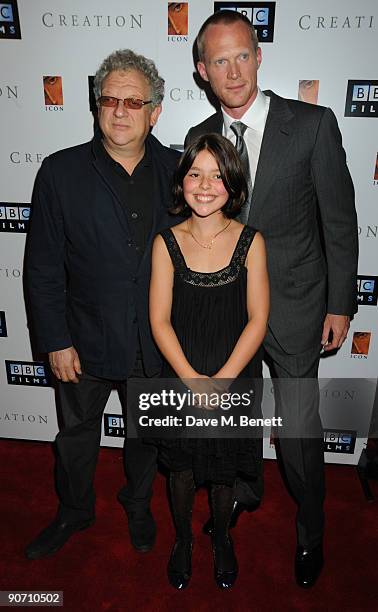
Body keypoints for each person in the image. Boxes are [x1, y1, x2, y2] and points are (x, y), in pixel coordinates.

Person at [185, 10, 358, 588]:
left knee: (299, 431)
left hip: (296, 305)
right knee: (233, 420)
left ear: (259, 56)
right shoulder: (197, 139)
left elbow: (339, 221)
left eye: (242, 55)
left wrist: (341, 303)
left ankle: (312, 529)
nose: (232, 71)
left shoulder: (312, 124)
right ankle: (243, 494)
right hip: (225, 312)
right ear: (202, 70)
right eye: (219, 61)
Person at [24, 49, 180, 560]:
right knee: (75, 439)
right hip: (82, 342)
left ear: (154, 111)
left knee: (146, 439)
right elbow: (43, 268)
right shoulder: (59, 172)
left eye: (133, 101)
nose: (119, 110)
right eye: (110, 98)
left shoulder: (181, 174)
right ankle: (74, 509)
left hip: (154, 341)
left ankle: (137, 503)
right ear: (96, 105)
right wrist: (55, 341)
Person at [149, 133, 269, 589]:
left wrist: (221, 381)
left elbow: (258, 319)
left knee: (223, 471)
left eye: (217, 175)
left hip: (233, 375)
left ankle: (221, 537)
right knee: (180, 469)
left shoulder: (251, 241)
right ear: (181, 183)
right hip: (180, 375)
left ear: (233, 184)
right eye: (195, 173)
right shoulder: (166, 242)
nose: (205, 184)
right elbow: (159, 321)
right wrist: (192, 381)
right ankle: (183, 539)